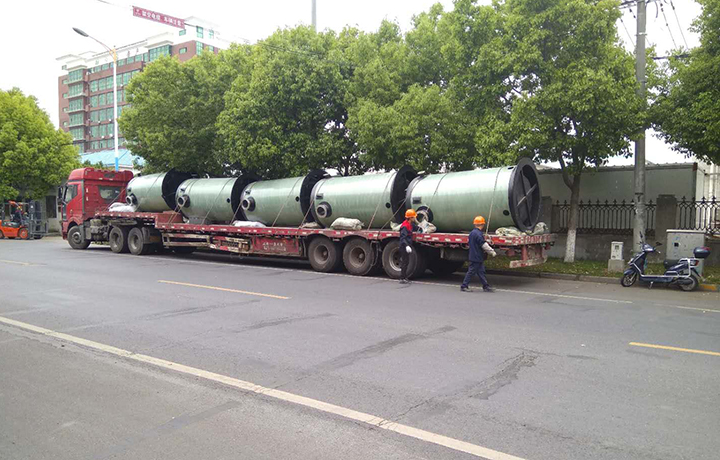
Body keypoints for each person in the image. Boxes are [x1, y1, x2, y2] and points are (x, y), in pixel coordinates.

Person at [461, 215, 497, 292]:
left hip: (474, 255)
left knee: (481, 272)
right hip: (476, 256)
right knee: (471, 272)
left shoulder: (472, 233)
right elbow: (483, 245)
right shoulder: (478, 234)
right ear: (482, 224)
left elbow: (475, 243)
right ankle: (464, 286)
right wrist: (492, 251)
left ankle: (486, 286)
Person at [399, 209, 419, 284]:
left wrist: (421, 229)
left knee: (406, 262)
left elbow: (415, 227)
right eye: (414, 217)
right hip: (404, 246)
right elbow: (403, 238)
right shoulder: (405, 226)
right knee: (404, 262)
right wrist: (407, 246)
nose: (415, 218)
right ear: (410, 218)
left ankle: (404, 277)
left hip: (407, 245)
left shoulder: (410, 224)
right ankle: (402, 278)